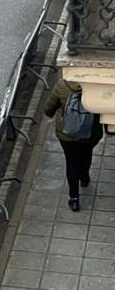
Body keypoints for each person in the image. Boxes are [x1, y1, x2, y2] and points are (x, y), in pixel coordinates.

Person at [44, 79, 104, 211]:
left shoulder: (62, 85)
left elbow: (48, 109)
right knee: (87, 153)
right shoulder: (97, 85)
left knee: (71, 161)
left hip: (67, 133)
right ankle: (84, 177)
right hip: (91, 132)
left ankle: (74, 198)